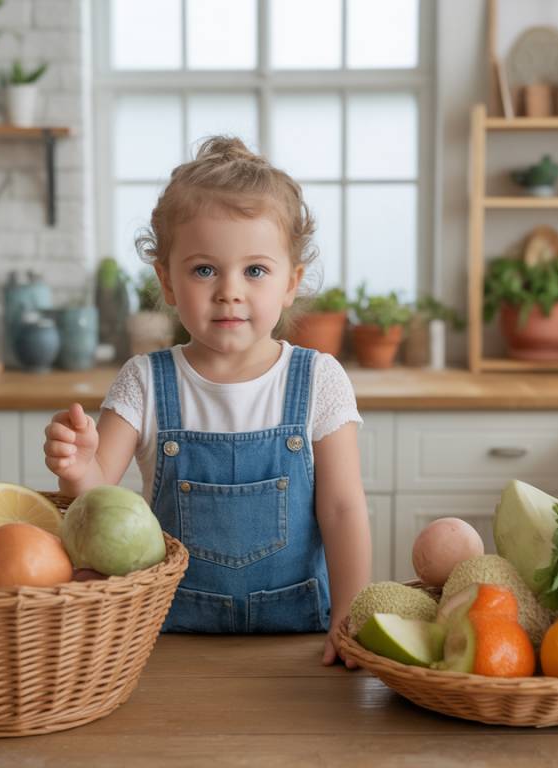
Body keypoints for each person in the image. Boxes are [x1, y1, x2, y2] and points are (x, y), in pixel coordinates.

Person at [43, 136, 371, 666]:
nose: (229, 291)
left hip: (302, 649)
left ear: (292, 281)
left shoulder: (320, 380)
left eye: (255, 271)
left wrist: (350, 613)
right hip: (167, 644)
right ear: (167, 281)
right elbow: (95, 498)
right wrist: (78, 467)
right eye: (203, 270)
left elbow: (342, 508)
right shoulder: (144, 381)